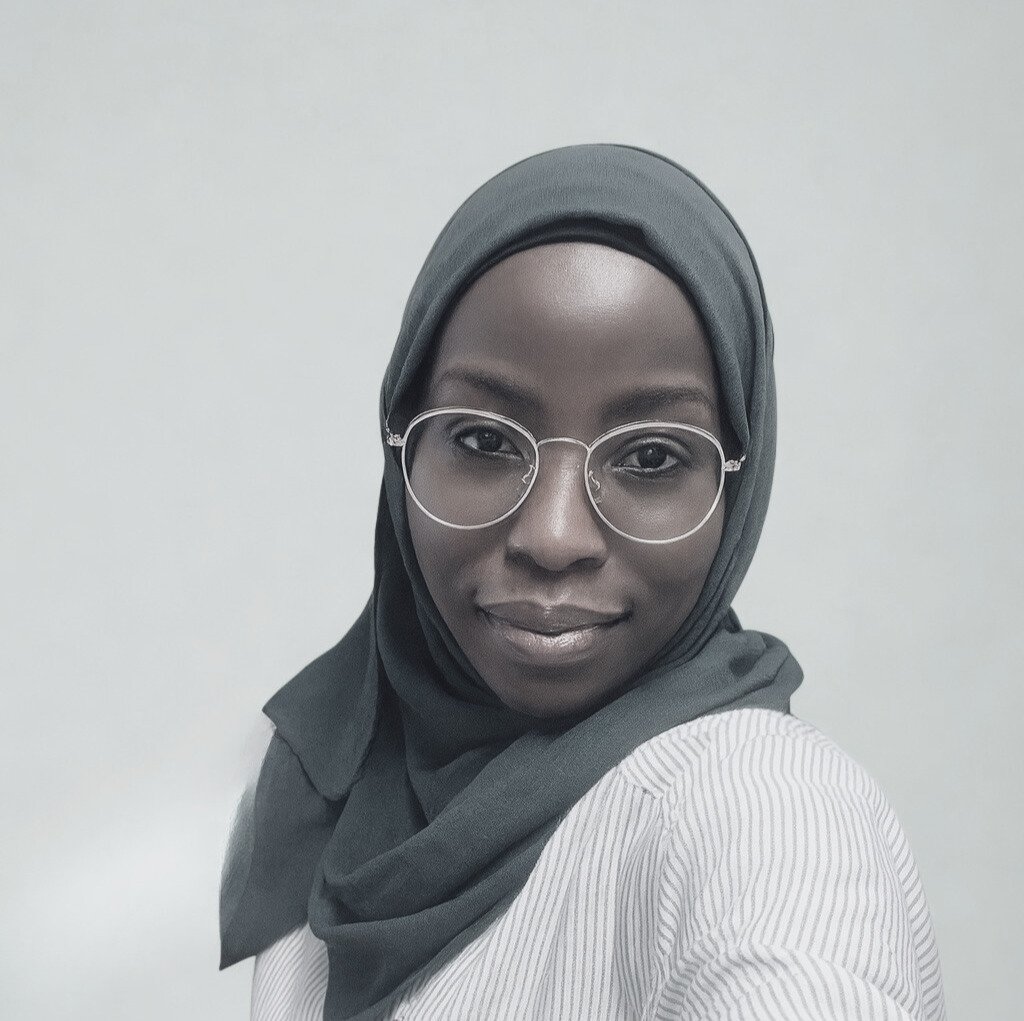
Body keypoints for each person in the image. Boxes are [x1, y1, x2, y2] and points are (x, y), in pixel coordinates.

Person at [218, 144, 947, 1020]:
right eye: (484, 441)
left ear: (736, 489)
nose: (552, 536)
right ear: (401, 444)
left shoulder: (764, 810)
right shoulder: (334, 796)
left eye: (649, 456)